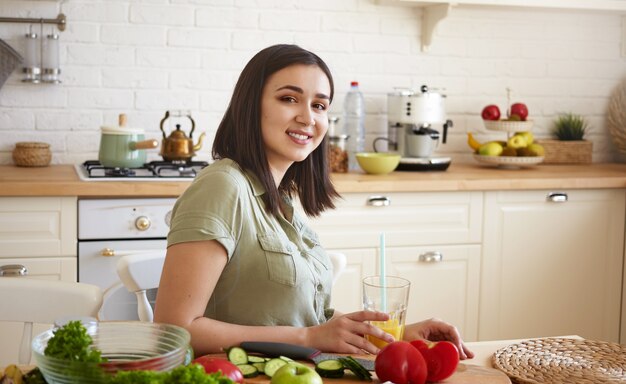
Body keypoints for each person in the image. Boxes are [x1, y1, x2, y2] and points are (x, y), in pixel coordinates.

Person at [154, 44, 474, 360]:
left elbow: (306, 322)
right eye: (289, 99)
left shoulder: (281, 200)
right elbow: (174, 329)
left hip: (294, 382)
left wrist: (394, 335)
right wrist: (308, 337)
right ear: (250, 106)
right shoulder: (222, 186)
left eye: (319, 105)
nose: (308, 117)